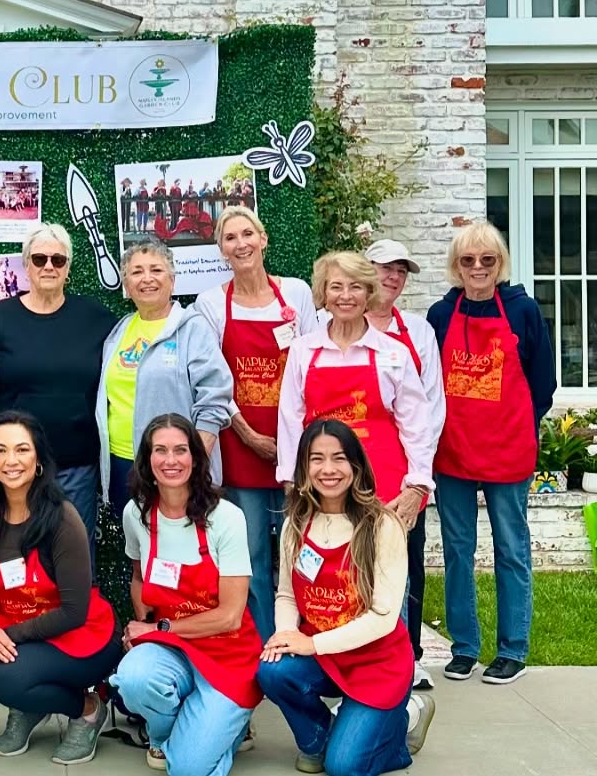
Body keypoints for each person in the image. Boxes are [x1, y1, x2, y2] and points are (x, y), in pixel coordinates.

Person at [0, 410, 121, 764]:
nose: (11, 461)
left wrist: (2, 641)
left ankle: (87, 709)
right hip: (13, 624)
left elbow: (74, 611)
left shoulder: (62, 518)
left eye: (22, 449)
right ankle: (30, 702)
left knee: (7, 677)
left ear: (38, 459)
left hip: (78, 634)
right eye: (0, 450)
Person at [259, 418, 437, 776]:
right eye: (317, 459)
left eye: (338, 458)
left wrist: (311, 644)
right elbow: (287, 594)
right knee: (272, 670)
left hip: (377, 664)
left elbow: (383, 617)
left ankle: (406, 718)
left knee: (346, 768)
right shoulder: (296, 523)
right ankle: (320, 741)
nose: (328, 469)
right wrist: (285, 635)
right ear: (303, 468)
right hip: (325, 658)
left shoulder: (383, 525)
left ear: (356, 465)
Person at [427, 222, 555, 686]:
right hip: (454, 451)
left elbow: (543, 383)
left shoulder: (522, 310)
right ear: (456, 266)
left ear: (500, 263)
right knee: (458, 551)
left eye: (487, 259)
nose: (478, 268)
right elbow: (429, 383)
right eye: (468, 260)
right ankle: (464, 647)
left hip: (508, 449)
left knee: (511, 549)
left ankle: (512, 650)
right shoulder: (441, 314)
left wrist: (516, 422)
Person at [112, 414, 263, 776]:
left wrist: (158, 628)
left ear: (196, 458)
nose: (170, 460)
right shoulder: (137, 513)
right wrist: (141, 626)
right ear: (147, 459)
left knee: (190, 774)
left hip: (227, 654)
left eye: (180, 450)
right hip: (174, 649)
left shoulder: (226, 517)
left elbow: (230, 617)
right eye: (160, 450)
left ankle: (229, 725)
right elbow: (139, 577)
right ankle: (165, 736)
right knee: (132, 677)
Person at [194, 206, 318, 641]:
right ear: (221, 249)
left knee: (301, 548)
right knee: (249, 553)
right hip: (240, 447)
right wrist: (247, 433)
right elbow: (213, 378)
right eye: (230, 237)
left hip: (296, 447)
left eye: (248, 234)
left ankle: (307, 638)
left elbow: (311, 367)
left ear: (263, 239)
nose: (241, 243)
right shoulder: (211, 304)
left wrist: (293, 443)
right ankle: (264, 644)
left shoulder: (297, 293)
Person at [276, 254, 436, 578]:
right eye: (336, 287)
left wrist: (418, 485)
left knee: (386, 579)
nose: (345, 296)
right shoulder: (303, 351)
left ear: (369, 293)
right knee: (327, 578)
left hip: (384, 487)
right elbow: (290, 420)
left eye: (356, 287)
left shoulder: (393, 353)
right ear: (323, 293)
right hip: (321, 483)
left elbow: (417, 424)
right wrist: (293, 483)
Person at [0, 223, 116, 550]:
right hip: (15, 468)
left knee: (75, 556)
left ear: (68, 267)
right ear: (26, 265)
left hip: (76, 467)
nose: (48, 266)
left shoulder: (95, 318)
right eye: (39, 259)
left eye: (58, 260)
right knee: (16, 556)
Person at [95, 240, 232, 527]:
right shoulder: (120, 330)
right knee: (137, 544)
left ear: (172, 280)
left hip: (175, 466)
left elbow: (215, 399)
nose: (147, 278)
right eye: (137, 272)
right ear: (127, 284)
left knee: (181, 541)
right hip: (123, 463)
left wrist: (192, 462)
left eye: (156, 270)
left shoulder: (193, 328)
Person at [363, 237, 446, 685]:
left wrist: (419, 480)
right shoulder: (333, 326)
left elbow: (432, 408)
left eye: (401, 270)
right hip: (347, 471)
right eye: (385, 267)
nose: (393, 277)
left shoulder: (418, 332)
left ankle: (407, 660)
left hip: (403, 473)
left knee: (407, 565)